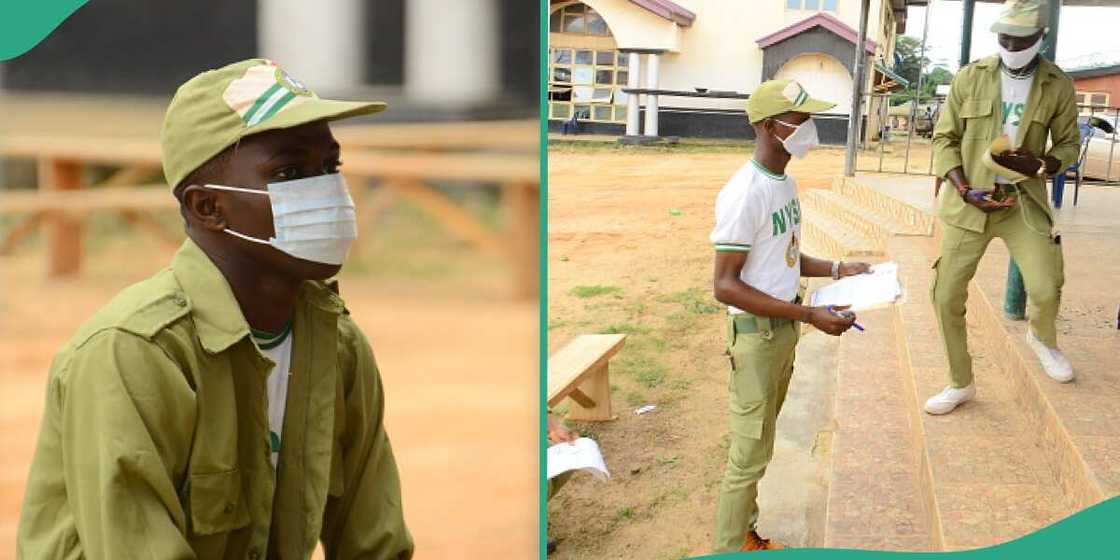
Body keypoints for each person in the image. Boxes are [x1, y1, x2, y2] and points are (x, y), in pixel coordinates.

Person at [17, 59, 414, 559]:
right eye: (289, 173)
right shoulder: (133, 354)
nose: (327, 190)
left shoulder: (337, 345)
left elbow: (374, 543)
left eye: (330, 167)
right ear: (207, 207)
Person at [710, 79, 869, 552]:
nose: (808, 128)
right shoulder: (746, 192)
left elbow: (784, 256)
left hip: (781, 332)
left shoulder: (785, 183)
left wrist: (840, 268)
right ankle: (727, 547)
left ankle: (745, 534)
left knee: (760, 446)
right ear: (767, 127)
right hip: (757, 337)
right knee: (747, 457)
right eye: (799, 120)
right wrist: (808, 313)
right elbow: (725, 285)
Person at [924, 0, 1080, 415]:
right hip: (970, 203)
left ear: (1040, 38)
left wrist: (1043, 164)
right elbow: (944, 139)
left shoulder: (1058, 85)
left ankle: (1042, 338)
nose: (1011, 44)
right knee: (945, 295)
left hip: (1021, 203)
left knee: (1046, 286)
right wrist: (961, 187)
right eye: (1004, 37)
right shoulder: (970, 77)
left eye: (1021, 38)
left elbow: (1068, 145)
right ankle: (960, 383)